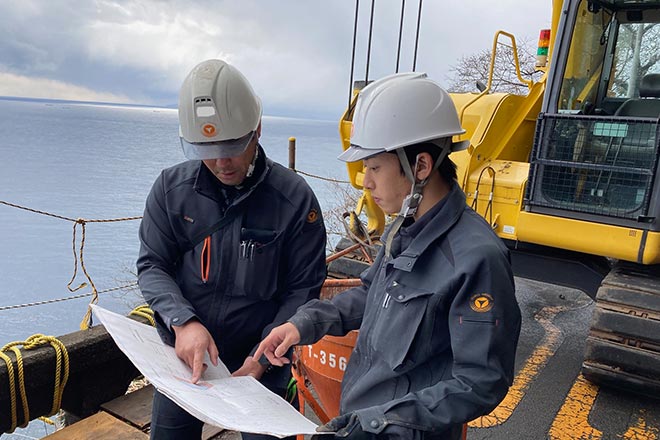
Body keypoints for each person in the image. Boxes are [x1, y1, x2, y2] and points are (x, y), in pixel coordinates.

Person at [254, 72, 521, 440]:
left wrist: (380, 422)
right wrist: (303, 324)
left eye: (375, 167)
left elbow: (481, 381)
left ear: (421, 167)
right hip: (362, 423)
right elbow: (370, 293)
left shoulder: (476, 258)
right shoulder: (404, 226)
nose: (366, 181)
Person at [137, 59, 327, 439]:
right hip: (186, 354)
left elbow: (302, 290)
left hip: (263, 358)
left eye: (233, 147)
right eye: (207, 148)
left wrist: (261, 358)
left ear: (257, 130)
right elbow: (152, 264)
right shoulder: (171, 189)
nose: (221, 162)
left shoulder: (294, 199)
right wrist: (183, 322)